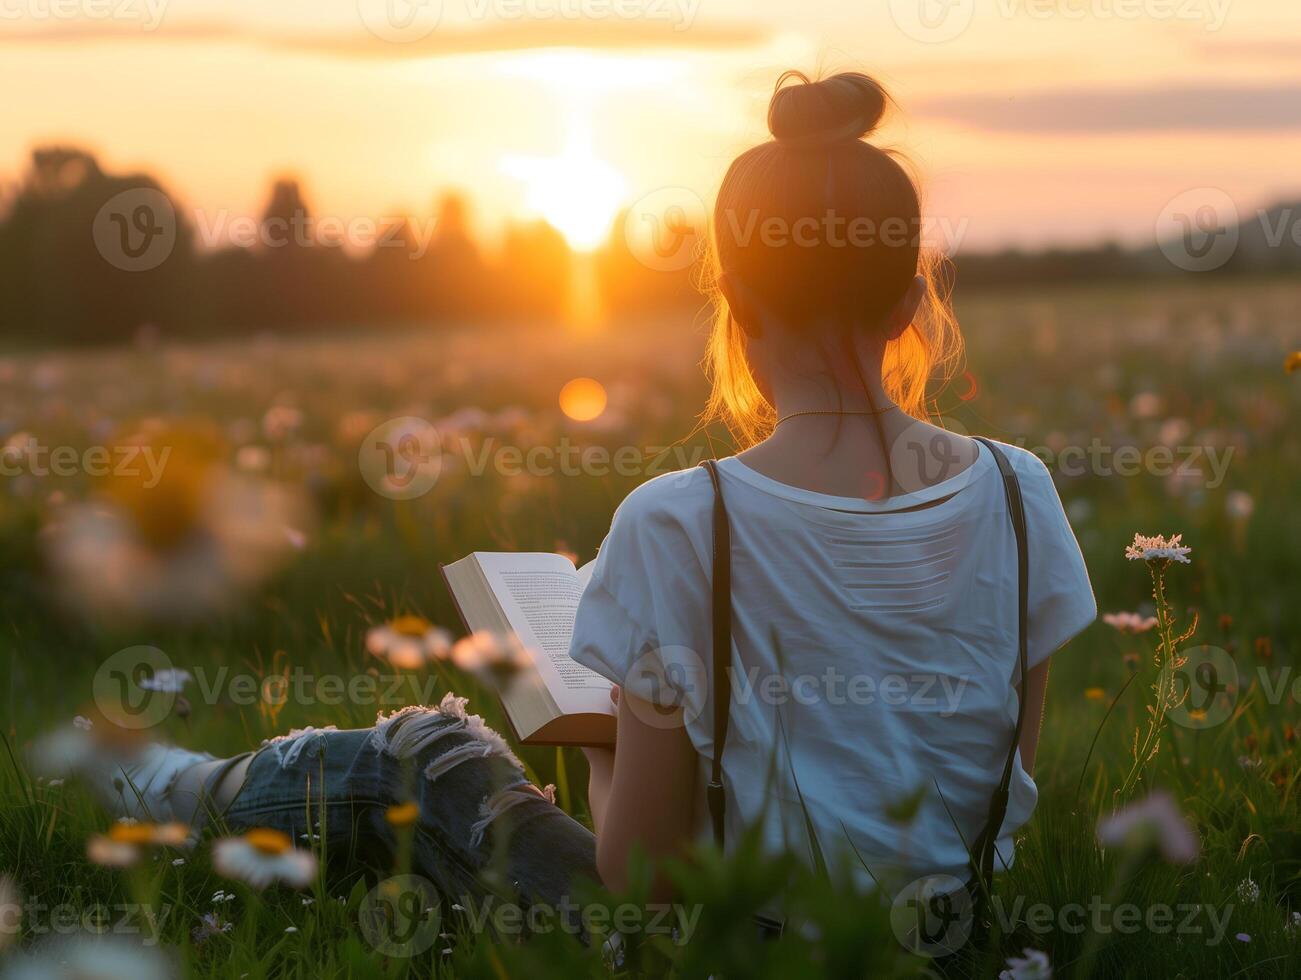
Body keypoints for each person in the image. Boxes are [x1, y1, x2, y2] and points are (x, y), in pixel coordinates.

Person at [42, 70, 1094, 922]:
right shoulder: (1018, 489)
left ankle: (173, 791)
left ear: (730, 298)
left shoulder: (684, 518)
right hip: (946, 936)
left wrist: (602, 735)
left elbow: (643, 874)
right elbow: (989, 781)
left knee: (427, 749)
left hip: (721, 947)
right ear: (912, 300)